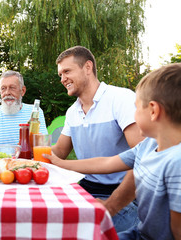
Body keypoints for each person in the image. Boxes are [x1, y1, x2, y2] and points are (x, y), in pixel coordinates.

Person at [45, 63, 181, 239]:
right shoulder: (146, 146)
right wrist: (60, 163)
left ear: (153, 111)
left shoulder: (176, 163)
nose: (133, 115)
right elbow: (106, 162)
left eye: (137, 108)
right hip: (139, 233)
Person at [52, 46, 144, 232]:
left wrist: (111, 205)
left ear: (88, 67)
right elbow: (58, 153)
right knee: (51, 223)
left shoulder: (121, 98)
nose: (62, 79)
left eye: (67, 71)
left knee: (88, 231)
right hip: (85, 189)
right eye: (60, 74)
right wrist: (23, 155)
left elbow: (143, 158)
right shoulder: (73, 111)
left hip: (122, 194)